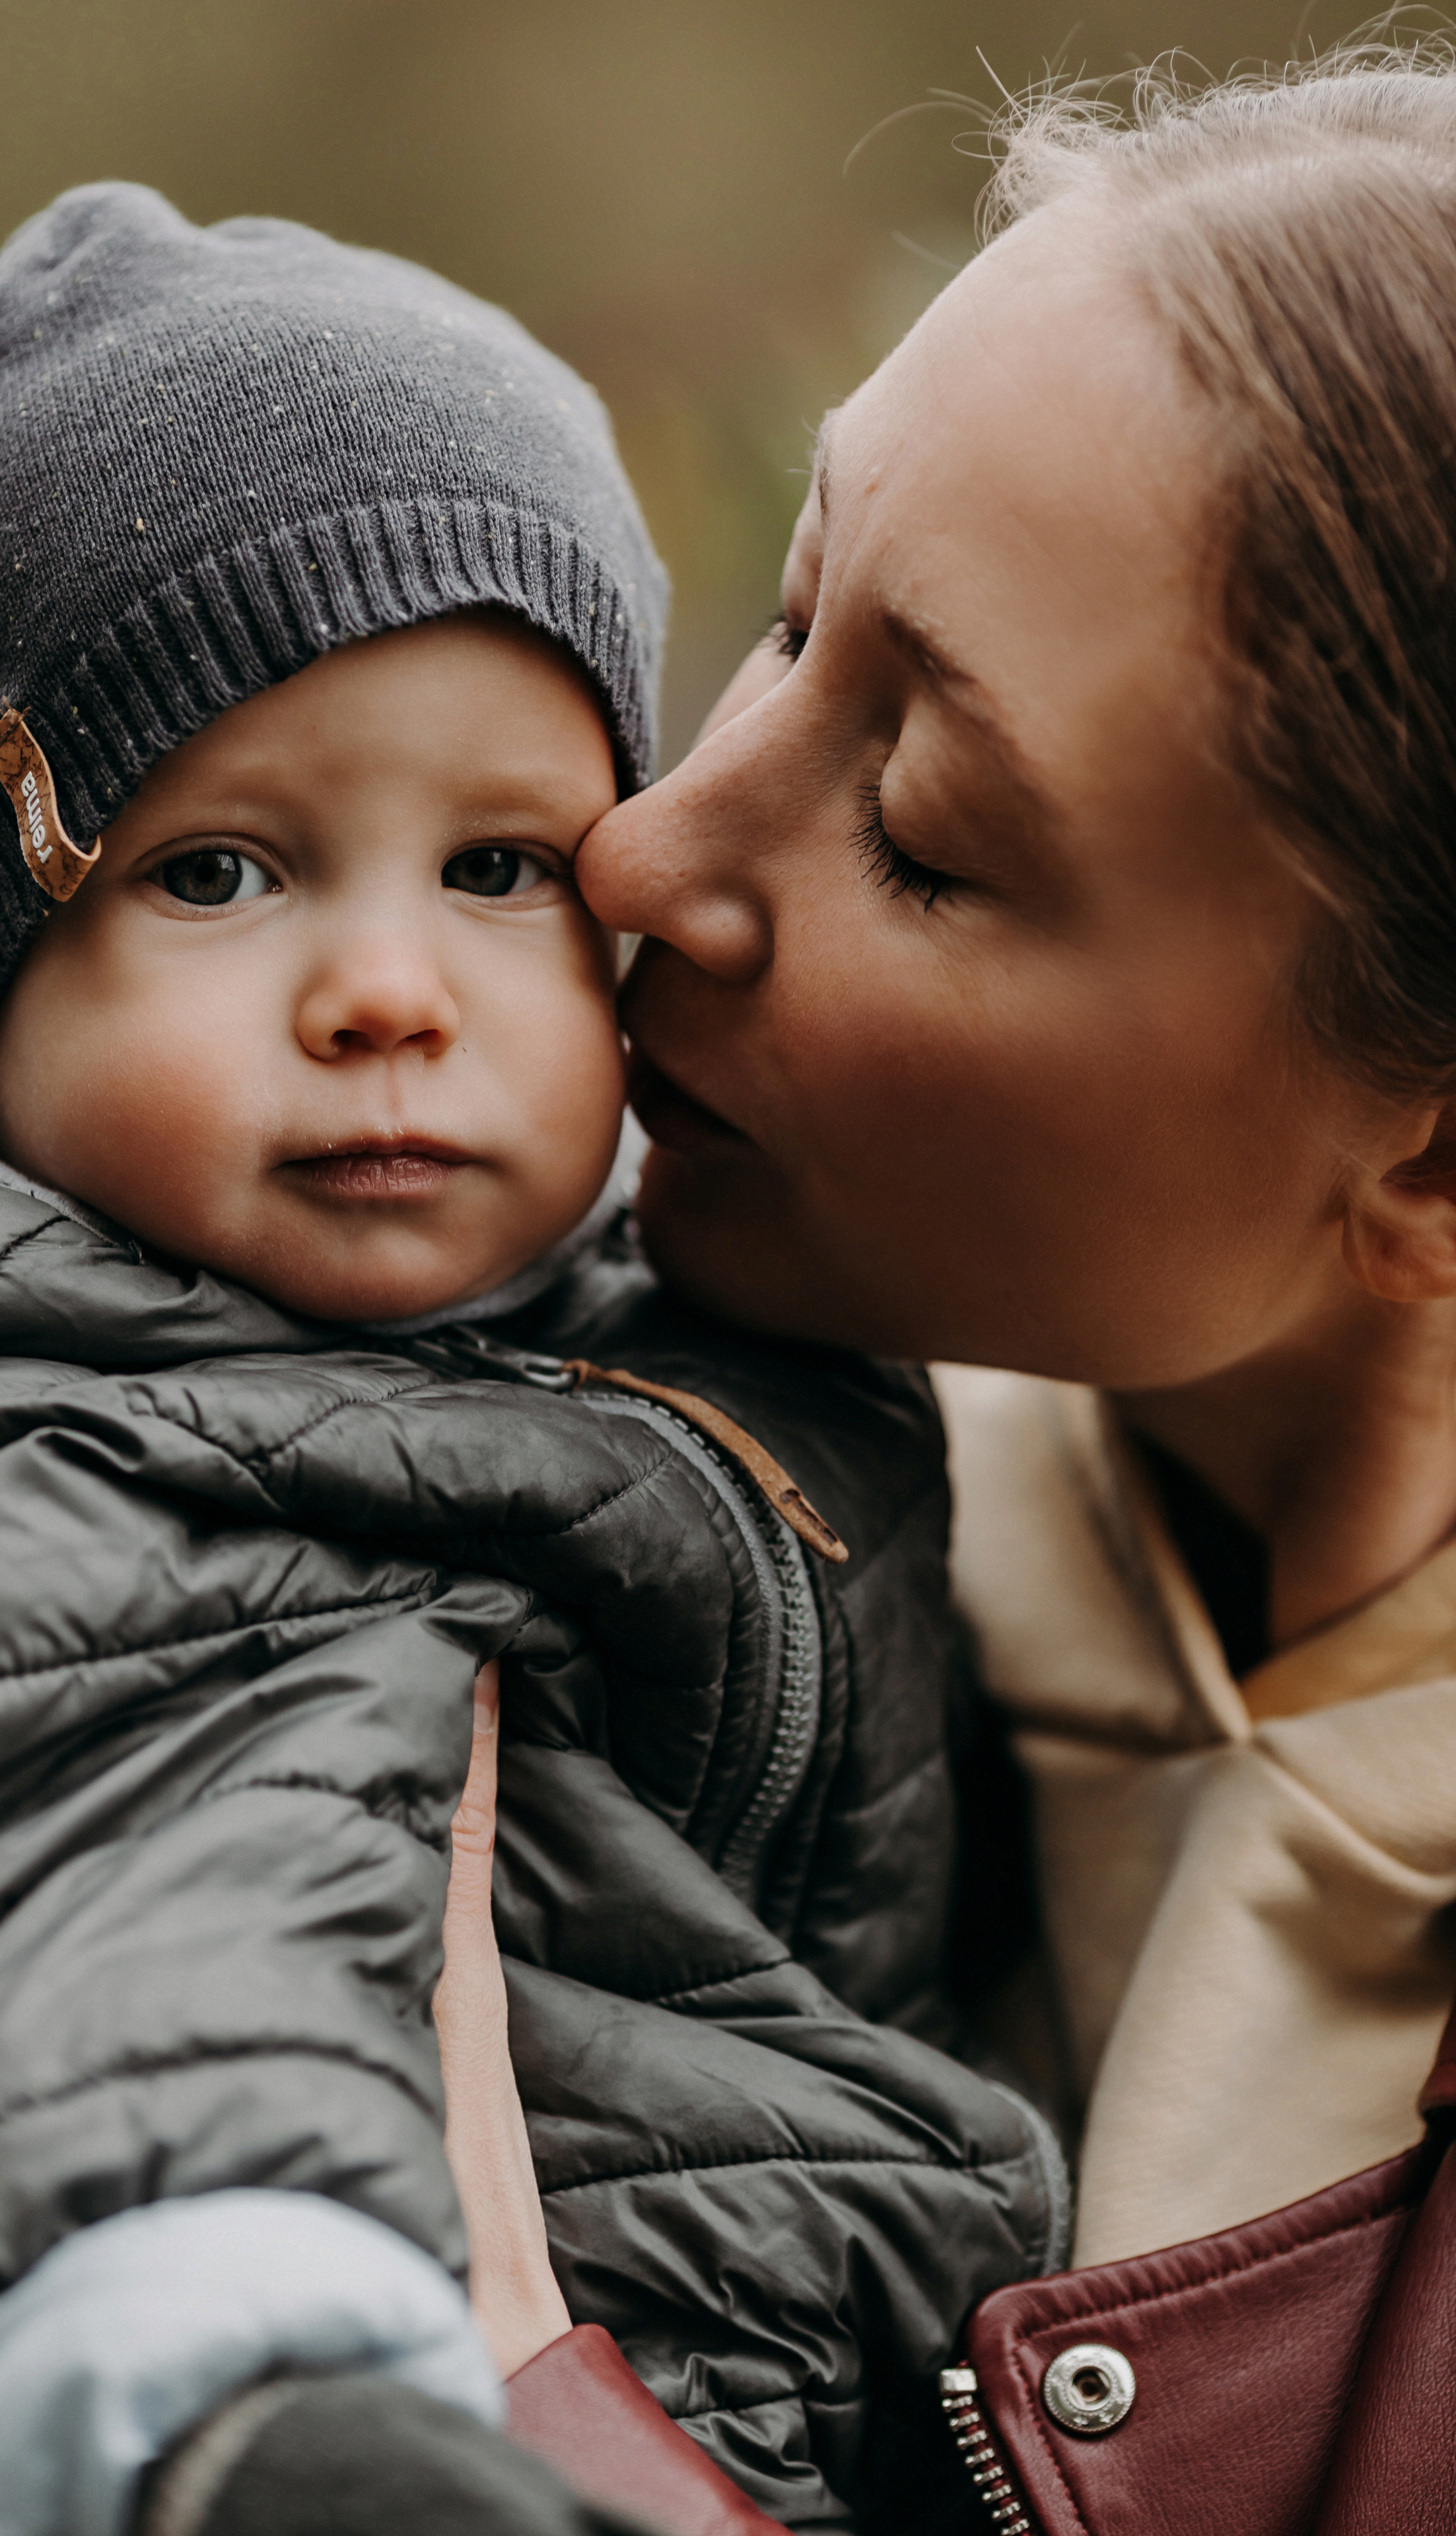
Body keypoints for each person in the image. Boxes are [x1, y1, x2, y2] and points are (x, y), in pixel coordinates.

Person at [0, 185, 1063, 2536]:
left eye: (498, 868)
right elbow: (85, 1932)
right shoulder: (2, 1452)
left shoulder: (665, 1323)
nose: (390, 990)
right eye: (218, 873)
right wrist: (249, 2411)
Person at [488, 34, 1456, 2415]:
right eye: (793, 614)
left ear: (1431, 1160)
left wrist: (486, 2388)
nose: (645, 854)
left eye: (920, 828)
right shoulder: (470, 1389)